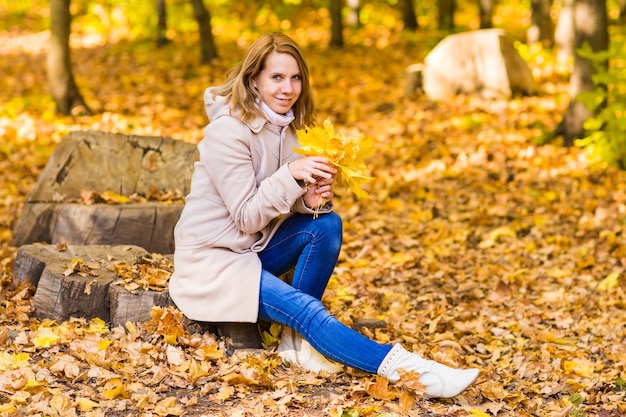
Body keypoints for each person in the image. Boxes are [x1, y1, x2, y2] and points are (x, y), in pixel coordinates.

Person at [168, 31, 479, 399]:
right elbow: (247, 216)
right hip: (215, 262)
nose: (288, 88)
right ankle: (414, 372)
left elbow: (275, 203)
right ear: (254, 80)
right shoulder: (227, 132)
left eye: (295, 77)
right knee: (307, 310)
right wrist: (292, 176)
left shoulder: (287, 127)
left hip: (252, 249)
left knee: (327, 224)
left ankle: (293, 344)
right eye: (277, 77)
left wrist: (308, 200)